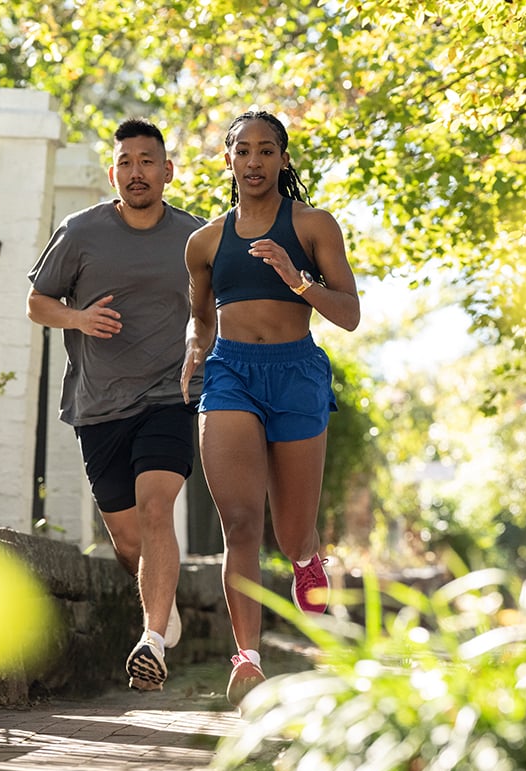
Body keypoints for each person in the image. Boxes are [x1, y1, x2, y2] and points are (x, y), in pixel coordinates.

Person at [180, 110, 361, 707]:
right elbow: (202, 316)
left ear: (284, 160)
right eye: (243, 151)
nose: (254, 162)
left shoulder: (313, 226)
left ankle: (308, 558)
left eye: (266, 151)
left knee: (289, 533)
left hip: (297, 374)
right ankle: (248, 659)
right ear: (228, 161)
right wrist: (193, 352)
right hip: (230, 372)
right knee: (239, 523)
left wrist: (296, 278)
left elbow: (349, 314)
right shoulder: (205, 241)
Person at [27, 118, 204, 692]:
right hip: (99, 405)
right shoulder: (81, 231)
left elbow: (221, 310)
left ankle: (151, 640)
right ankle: (163, 602)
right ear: (113, 173)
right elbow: (37, 303)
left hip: (169, 396)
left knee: (157, 511)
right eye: (126, 162)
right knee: (130, 543)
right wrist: (78, 317)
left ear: (167, 171)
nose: (137, 172)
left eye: (148, 161)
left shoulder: (196, 238)